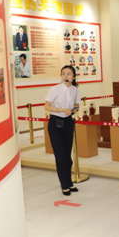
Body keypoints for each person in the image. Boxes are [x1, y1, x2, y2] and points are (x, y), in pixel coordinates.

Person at [44, 65, 81, 196]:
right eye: (63, 73)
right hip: (55, 123)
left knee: (67, 157)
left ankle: (69, 182)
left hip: (68, 123)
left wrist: (74, 110)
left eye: (68, 73)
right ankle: (64, 185)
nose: (66, 76)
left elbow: (77, 105)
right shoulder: (55, 89)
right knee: (60, 157)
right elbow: (47, 106)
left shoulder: (75, 90)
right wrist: (61, 110)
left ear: (74, 77)